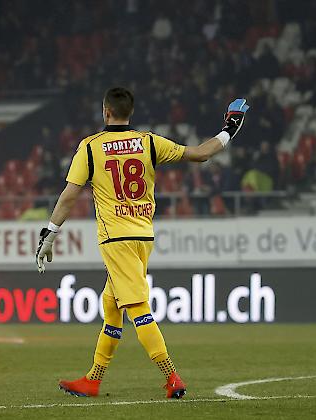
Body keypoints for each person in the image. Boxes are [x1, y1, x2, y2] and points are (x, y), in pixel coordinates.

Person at [35, 87, 249, 399]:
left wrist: (50, 234)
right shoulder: (149, 142)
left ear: (106, 111)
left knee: (137, 309)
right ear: (129, 113)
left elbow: (69, 195)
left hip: (115, 239)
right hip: (143, 236)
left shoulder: (91, 147)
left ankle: (172, 376)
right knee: (111, 306)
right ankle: (93, 379)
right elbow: (201, 154)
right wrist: (230, 127)